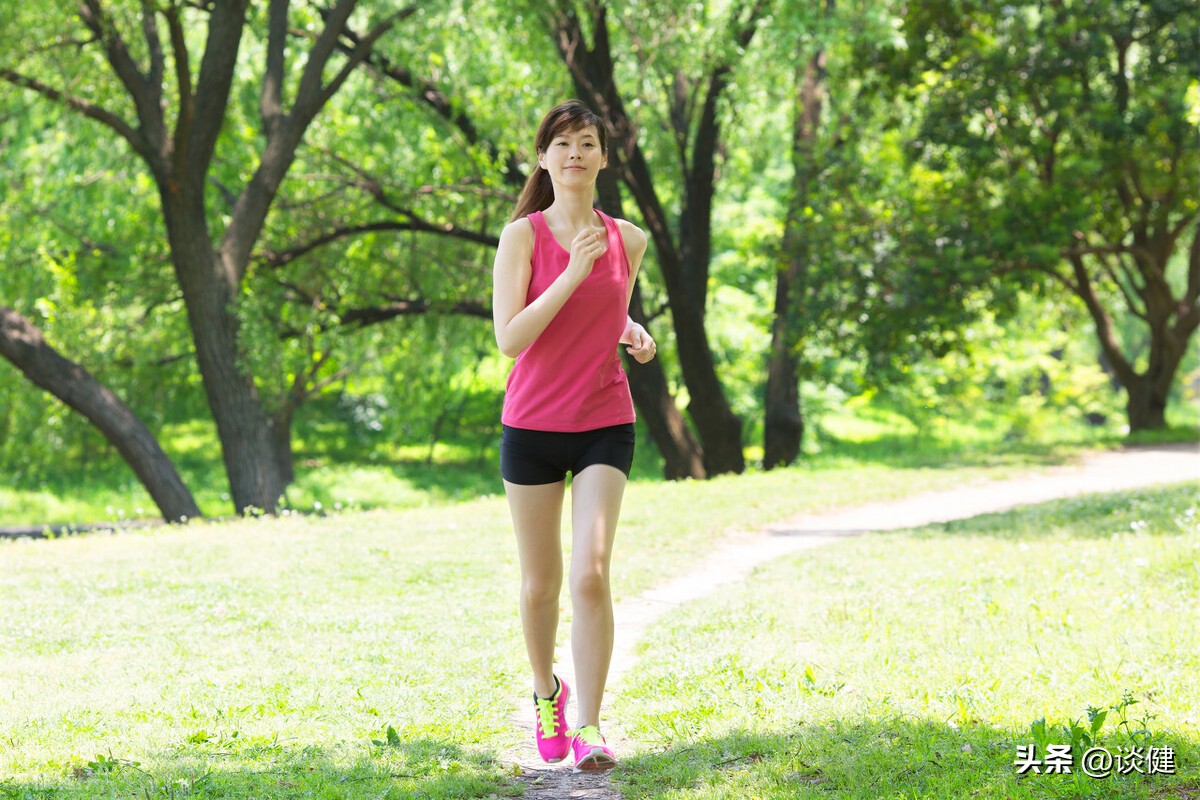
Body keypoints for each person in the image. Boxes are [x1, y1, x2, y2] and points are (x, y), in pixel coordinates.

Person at [492, 100, 656, 773]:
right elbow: (511, 338)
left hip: (603, 422)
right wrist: (570, 274)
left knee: (590, 573)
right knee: (541, 585)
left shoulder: (630, 238)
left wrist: (630, 329)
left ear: (603, 158)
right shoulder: (523, 238)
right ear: (543, 159)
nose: (575, 154)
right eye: (561, 144)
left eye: (587, 143)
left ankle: (590, 723)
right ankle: (546, 693)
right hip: (531, 424)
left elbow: (605, 311)